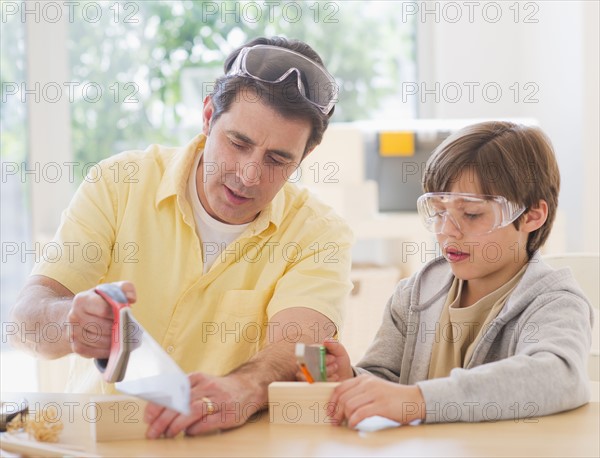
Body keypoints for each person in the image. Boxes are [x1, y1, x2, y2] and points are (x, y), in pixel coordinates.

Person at [9, 36, 353, 436]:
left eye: (278, 159)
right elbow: (24, 324)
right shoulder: (118, 183)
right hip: (102, 444)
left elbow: (299, 349)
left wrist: (245, 386)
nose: (249, 175)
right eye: (238, 143)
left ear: (304, 157)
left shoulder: (320, 233)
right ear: (207, 116)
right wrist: (70, 321)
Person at [321, 121, 593, 426]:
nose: (447, 231)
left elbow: (557, 376)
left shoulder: (554, 302)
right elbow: (385, 379)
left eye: (472, 214)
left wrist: (420, 400)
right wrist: (353, 379)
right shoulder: (415, 294)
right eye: (438, 211)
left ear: (531, 216)